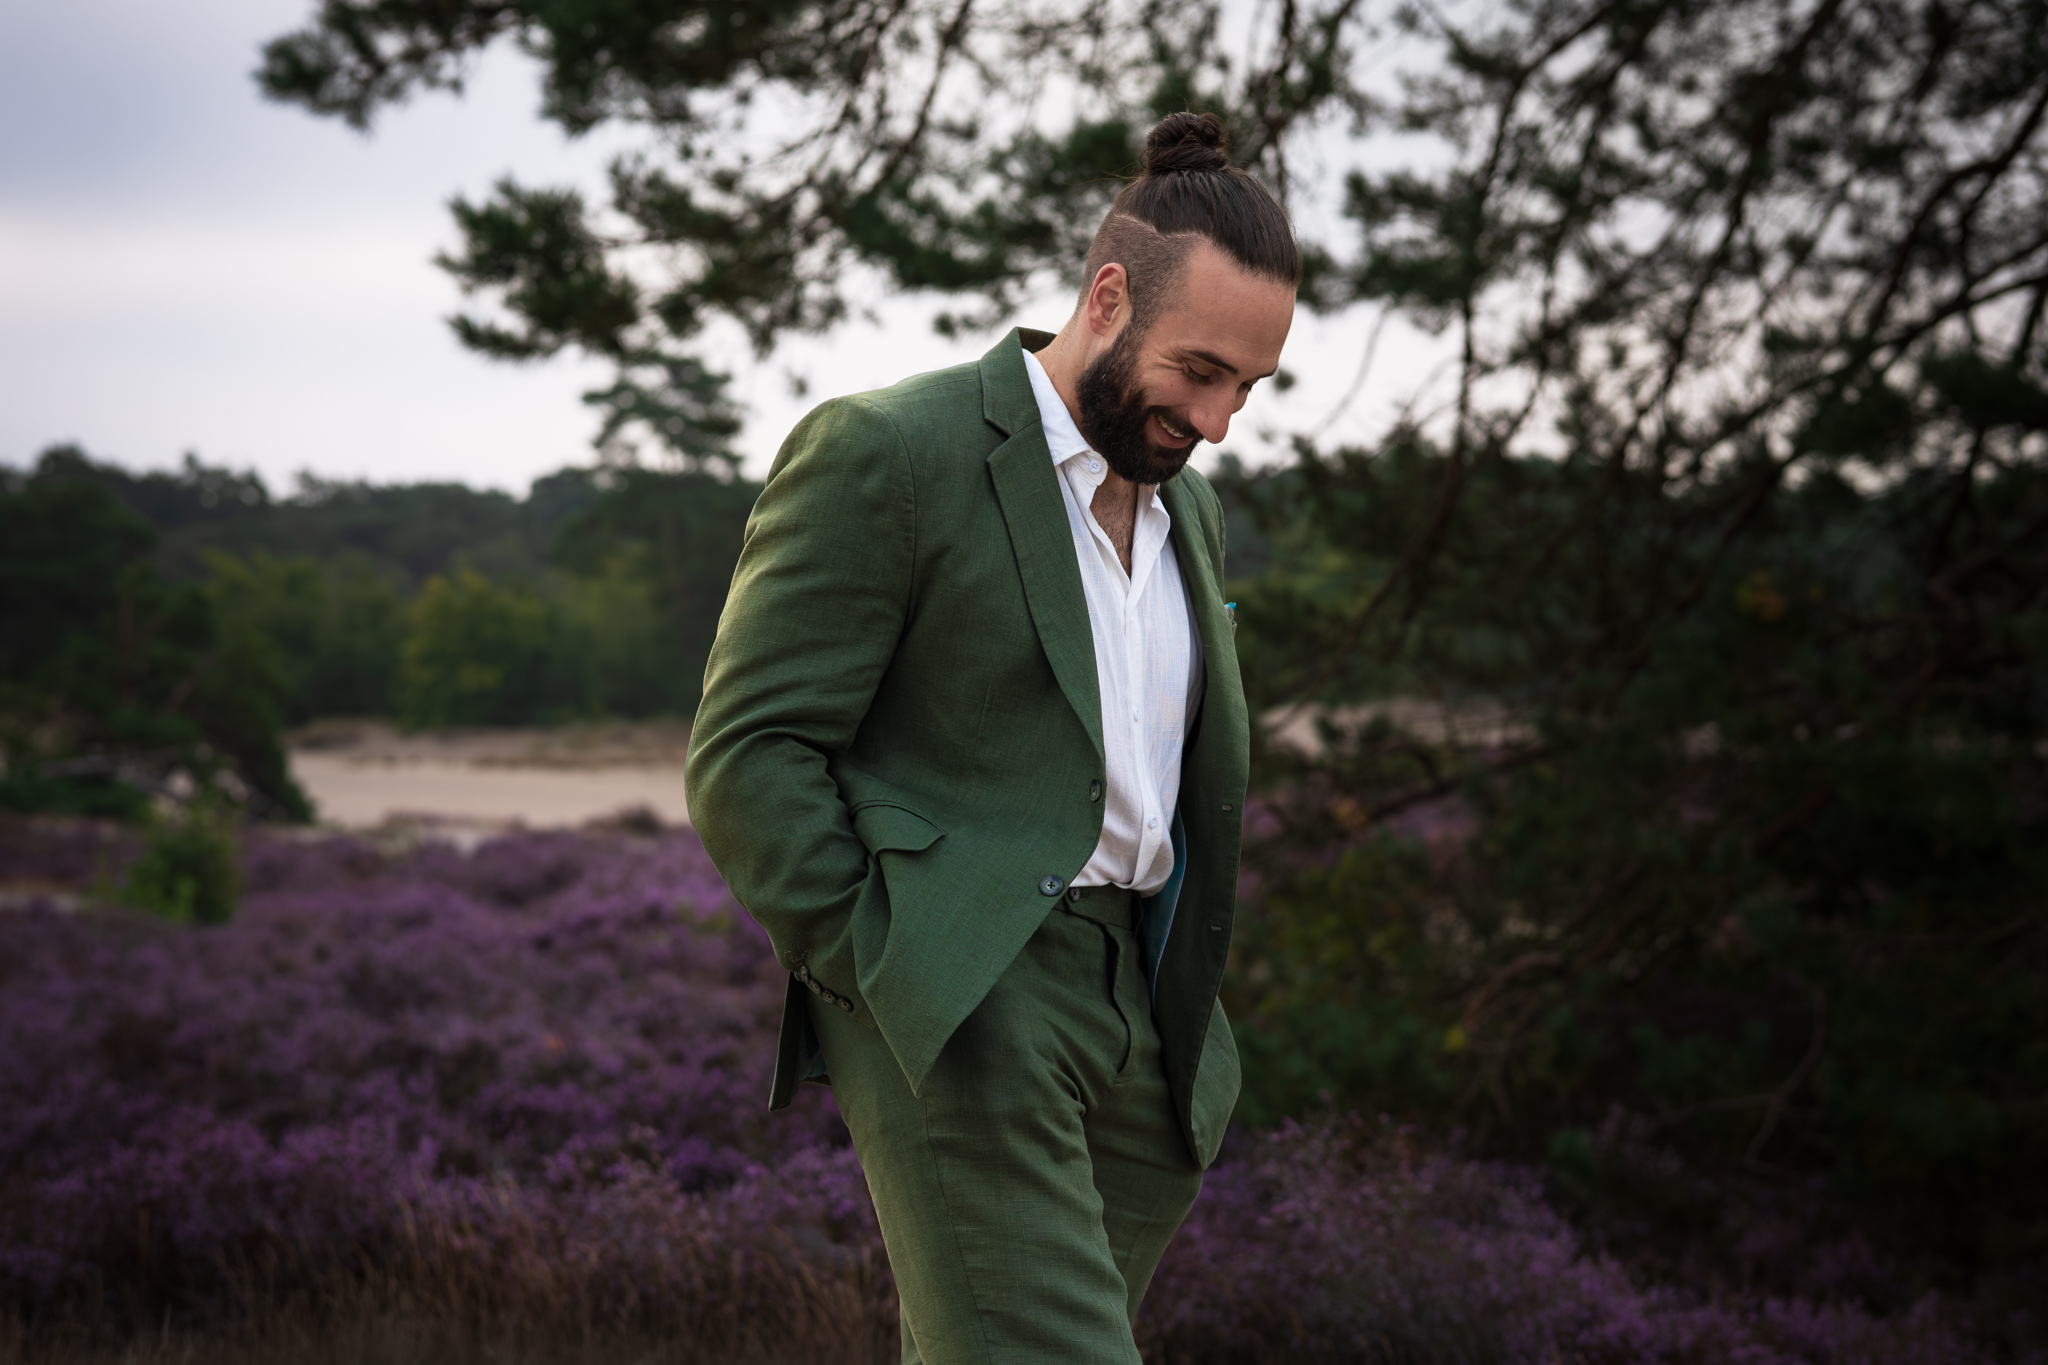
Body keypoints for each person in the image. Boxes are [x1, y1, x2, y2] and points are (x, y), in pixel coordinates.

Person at [687, 109, 1299, 1364]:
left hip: (1144, 1016)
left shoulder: (1194, 515)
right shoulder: (890, 453)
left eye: (1248, 385)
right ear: (1108, 296)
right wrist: (883, 960)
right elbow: (749, 750)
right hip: (967, 992)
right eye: (1200, 371)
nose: (1221, 421)